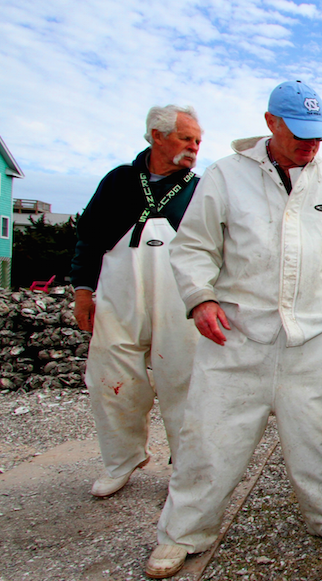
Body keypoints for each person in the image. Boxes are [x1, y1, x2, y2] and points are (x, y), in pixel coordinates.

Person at [145, 80, 322, 579]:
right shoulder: (226, 177)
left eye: (318, 137)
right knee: (210, 439)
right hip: (235, 337)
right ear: (271, 123)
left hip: (311, 341)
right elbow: (193, 248)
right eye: (300, 134)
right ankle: (182, 534)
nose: (310, 146)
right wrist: (201, 298)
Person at [70, 105, 203, 499]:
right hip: (118, 293)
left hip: (177, 296)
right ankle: (121, 460)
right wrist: (82, 289)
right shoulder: (119, 181)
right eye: (186, 138)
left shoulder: (200, 189)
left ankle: (187, 469)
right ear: (157, 136)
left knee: (184, 379)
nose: (195, 147)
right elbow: (89, 237)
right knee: (111, 377)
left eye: (197, 140)